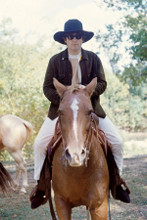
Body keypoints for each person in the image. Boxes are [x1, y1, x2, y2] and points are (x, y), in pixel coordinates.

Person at [31, 19, 130, 209]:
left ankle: (117, 184)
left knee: (117, 142)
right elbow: (46, 88)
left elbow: (102, 83)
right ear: (65, 39)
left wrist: (86, 92)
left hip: (90, 109)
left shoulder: (93, 58)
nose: (74, 39)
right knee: (39, 144)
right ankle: (41, 186)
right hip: (62, 111)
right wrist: (66, 99)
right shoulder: (55, 60)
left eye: (78, 36)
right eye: (70, 36)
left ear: (83, 38)